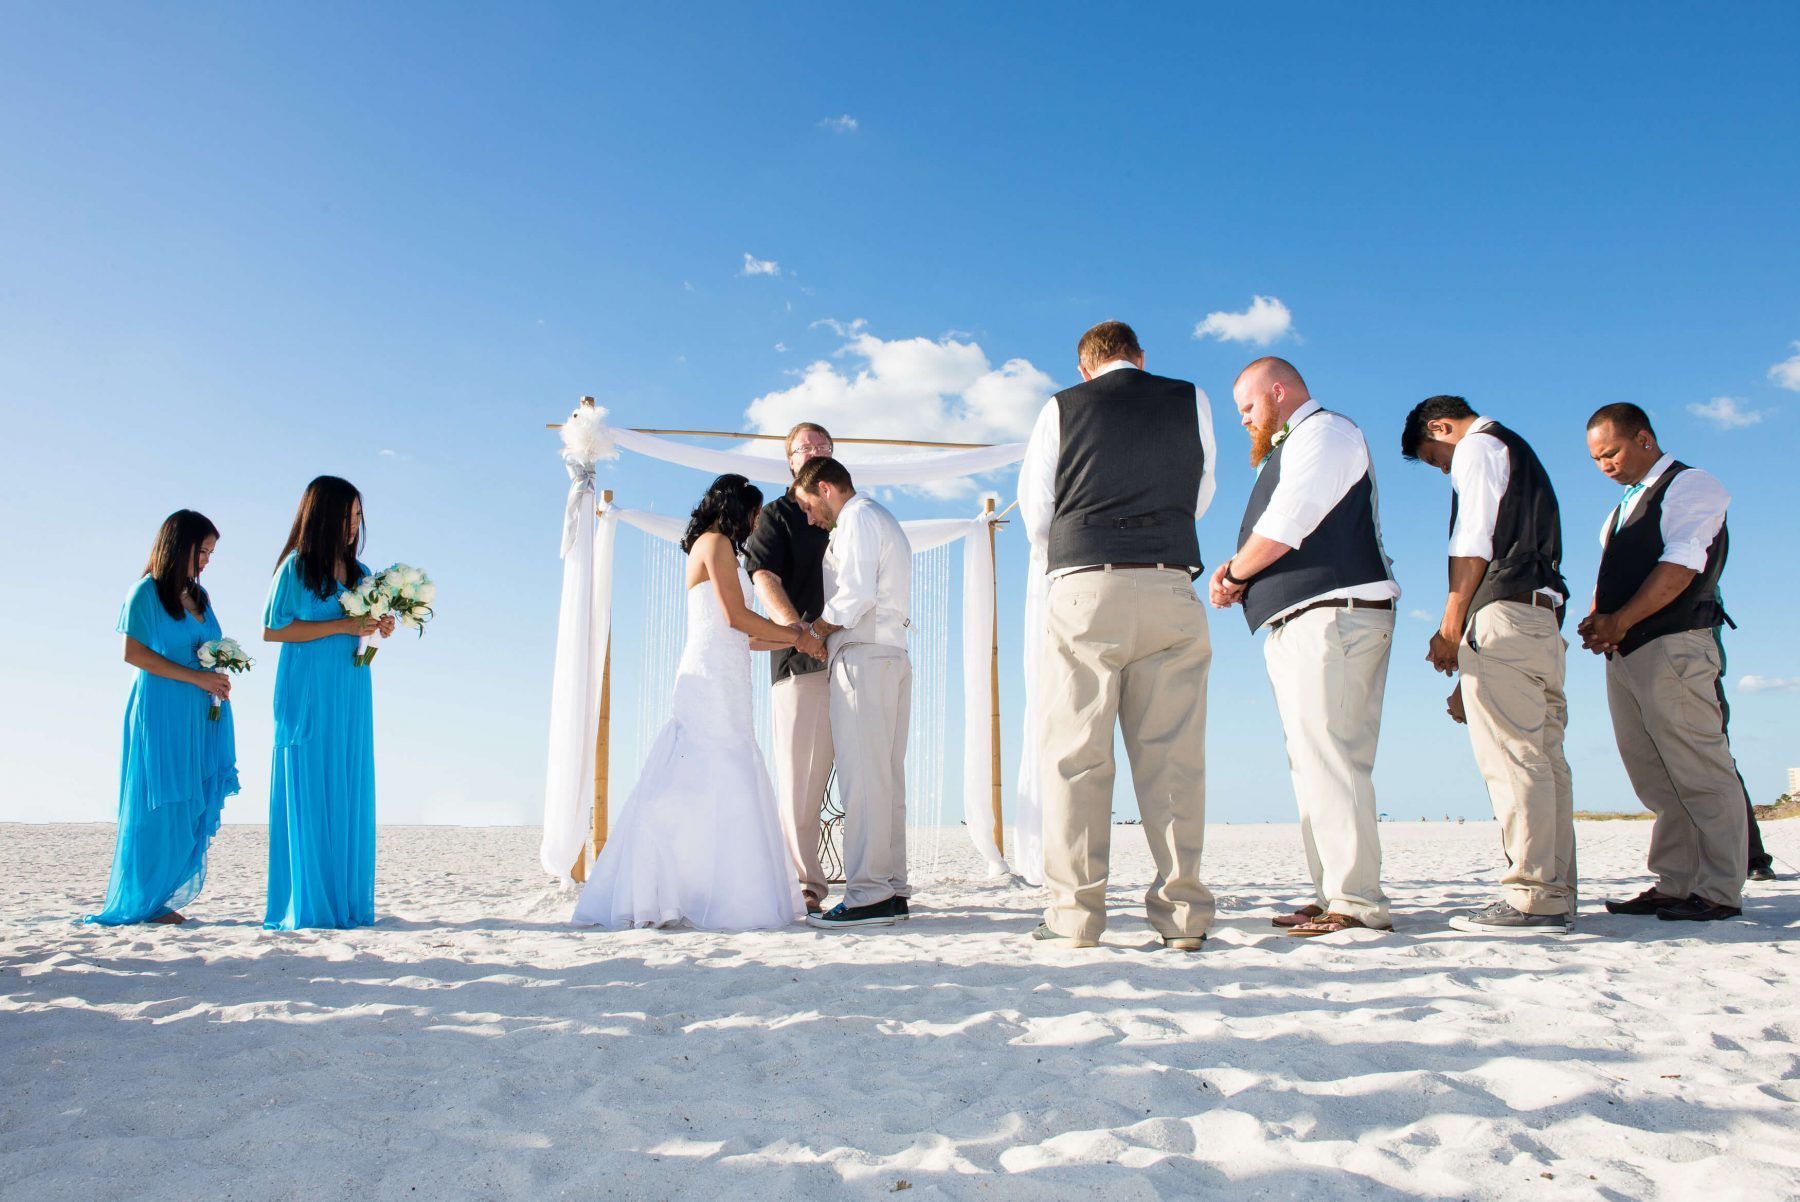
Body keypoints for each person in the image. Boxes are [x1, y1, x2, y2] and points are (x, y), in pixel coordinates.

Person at [1016, 319, 1215, 952]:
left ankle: (1076, 917)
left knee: (1076, 755)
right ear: (1140, 356)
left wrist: (1072, 562)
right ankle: (1183, 917)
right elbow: (1201, 492)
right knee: (1173, 760)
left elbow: (1036, 508)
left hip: (1085, 587)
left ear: (1084, 367)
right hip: (1169, 585)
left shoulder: (1061, 406)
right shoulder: (1190, 397)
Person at [572, 474, 818, 930]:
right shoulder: (716, 543)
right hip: (710, 675)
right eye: (755, 510)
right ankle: (683, 886)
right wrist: (795, 635)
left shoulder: (720, 548)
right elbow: (734, 616)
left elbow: (742, 636)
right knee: (709, 767)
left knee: (722, 768)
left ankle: (705, 886)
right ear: (739, 508)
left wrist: (789, 642)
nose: (757, 519)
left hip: (727, 668)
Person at [1210, 357, 1398, 938]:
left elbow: (1290, 521)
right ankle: (1334, 892)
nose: (1242, 419)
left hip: (1333, 617)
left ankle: (1357, 901)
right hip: (1307, 621)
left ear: (1278, 390)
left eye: (1247, 406)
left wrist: (1234, 574)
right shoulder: (1294, 444)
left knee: (1333, 757)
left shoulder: (1326, 432)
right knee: (1314, 761)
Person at [1401, 396, 1577, 934]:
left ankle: (1531, 897)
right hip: (1541, 618)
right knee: (1546, 762)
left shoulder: (1478, 446)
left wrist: (1451, 628)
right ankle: (1554, 890)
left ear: (1441, 428)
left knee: (1514, 762)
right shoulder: (1518, 452)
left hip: (1504, 613)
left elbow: (1473, 539)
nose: (1444, 469)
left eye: (1436, 459)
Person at [1579, 404, 1757, 921]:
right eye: (1596, 459)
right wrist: (1599, 619)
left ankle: (1720, 888)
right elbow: (1611, 574)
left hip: (1675, 644)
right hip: (1627, 650)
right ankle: (1676, 882)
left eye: (1611, 452)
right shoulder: (1618, 511)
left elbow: (1681, 563)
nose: (1605, 465)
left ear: (1645, 439)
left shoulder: (1691, 484)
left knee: (1701, 767)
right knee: (1655, 774)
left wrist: (1622, 619)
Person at [87, 511, 240, 925]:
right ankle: (141, 901)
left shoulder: (201, 599)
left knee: (190, 801)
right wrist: (195, 676)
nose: (207, 560)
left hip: (200, 712)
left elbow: (210, 647)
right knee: (159, 802)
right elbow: (133, 654)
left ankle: (158, 899)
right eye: (201, 550)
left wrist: (220, 675)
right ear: (178, 545)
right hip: (161, 710)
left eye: (211, 552)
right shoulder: (145, 593)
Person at [262, 476, 393, 930]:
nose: (354, 526)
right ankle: (309, 906)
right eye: (345, 516)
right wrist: (343, 625)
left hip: (352, 691)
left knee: (348, 786)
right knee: (311, 786)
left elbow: (363, 638)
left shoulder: (361, 574)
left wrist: (377, 630)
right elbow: (273, 629)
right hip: (308, 693)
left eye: (358, 516)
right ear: (321, 517)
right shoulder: (296, 569)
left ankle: (346, 905)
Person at [791, 457, 915, 930]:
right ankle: (892, 887)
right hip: (890, 653)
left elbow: (855, 593)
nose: (808, 516)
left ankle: (866, 895)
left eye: (807, 505)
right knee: (886, 777)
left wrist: (816, 630)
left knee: (863, 778)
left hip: (864, 655)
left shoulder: (859, 518)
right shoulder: (882, 516)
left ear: (825, 488)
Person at [744, 422, 837, 914]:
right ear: (790, 460)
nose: (817, 452)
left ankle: (875, 882)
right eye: (808, 448)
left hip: (856, 659)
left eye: (825, 447)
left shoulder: (849, 512)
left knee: (864, 773)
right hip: (800, 661)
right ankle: (806, 884)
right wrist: (799, 632)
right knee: (800, 777)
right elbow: (763, 574)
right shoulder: (776, 516)